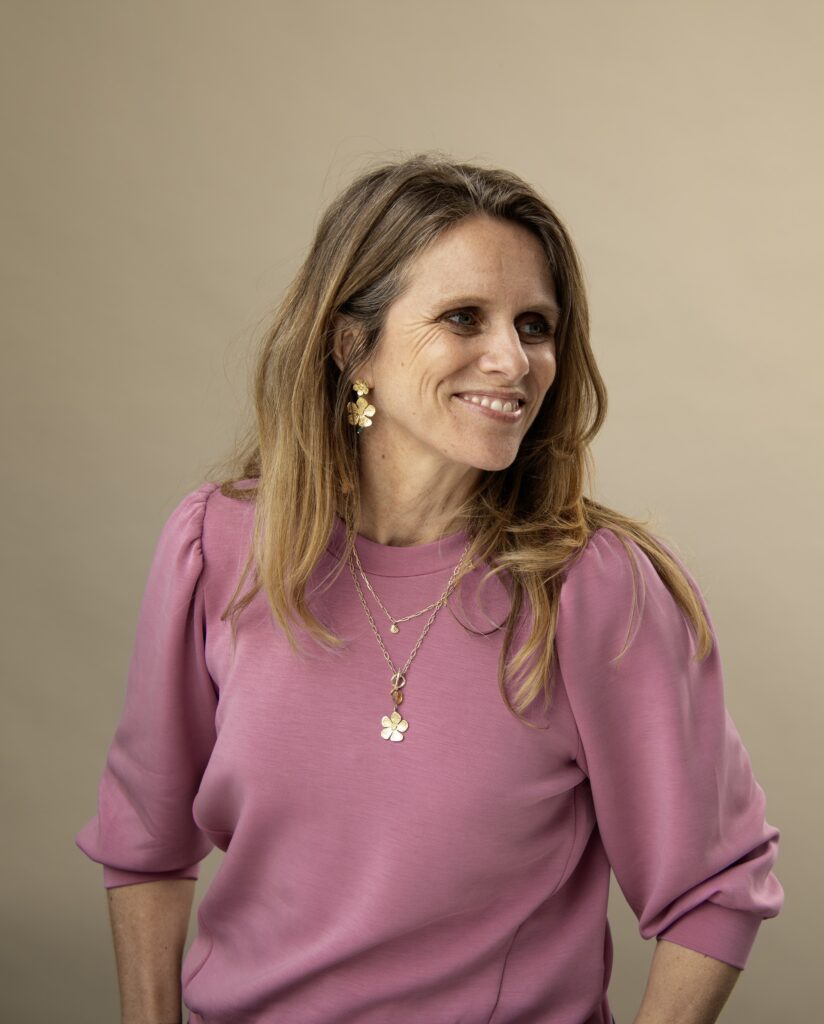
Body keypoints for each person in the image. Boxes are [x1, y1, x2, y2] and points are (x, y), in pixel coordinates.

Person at [75, 152, 784, 1024]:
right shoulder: (215, 547)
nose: (512, 360)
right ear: (351, 347)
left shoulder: (594, 589)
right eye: (463, 318)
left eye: (534, 326)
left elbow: (714, 887)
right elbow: (146, 842)